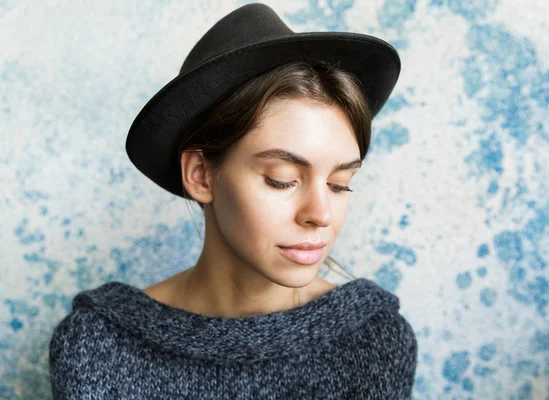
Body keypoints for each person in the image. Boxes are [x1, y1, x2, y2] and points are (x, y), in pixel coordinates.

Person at [48, 3, 418, 399]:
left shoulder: (372, 340)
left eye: (340, 183)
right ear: (201, 175)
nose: (321, 215)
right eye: (282, 180)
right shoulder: (98, 345)